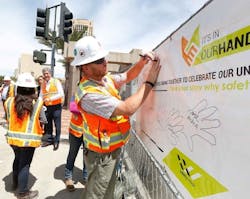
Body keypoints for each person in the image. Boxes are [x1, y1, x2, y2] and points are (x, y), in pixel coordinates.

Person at [71, 36, 161, 199]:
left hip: (111, 151)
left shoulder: (105, 80)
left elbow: (127, 76)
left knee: (109, 192)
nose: (105, 62)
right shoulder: (88, 94)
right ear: (85, 68)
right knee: (99, 195)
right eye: (98, 60)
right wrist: (149, 83)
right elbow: (127, 109)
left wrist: (142, 62)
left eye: (103, 58)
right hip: (101, 157)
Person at [4, 72, 47, 199]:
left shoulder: (9, 101)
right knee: (25, 164)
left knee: (17, 159)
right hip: (29, 141)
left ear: (18, 87)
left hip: (13, 139)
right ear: (33, 88)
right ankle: (23, 192)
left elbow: (8, 117)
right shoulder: (38, 103)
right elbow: (43, 120)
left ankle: (15, 184)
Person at [64, 95, 88, 192]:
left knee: (87, 157)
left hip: (89, 133)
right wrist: (89, 109)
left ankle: (86, 179)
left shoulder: (95, 94)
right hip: (75, 131)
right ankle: (68, 177)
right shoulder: (77, 94)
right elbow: (73, 109)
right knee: (72, 154)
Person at [39, 67, 64, 150]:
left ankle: (56, 141)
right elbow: (41, 96)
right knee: (47, 124)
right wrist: (40, 104)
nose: (46, 75)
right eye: (44, 74)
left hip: (56, 106)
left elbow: (61, 94)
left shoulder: (56, 82)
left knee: (57, 125)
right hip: (47, 107)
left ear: (50, 74)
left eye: (47, 73)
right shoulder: (43, 84)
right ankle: (48, 140)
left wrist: (50, 98)